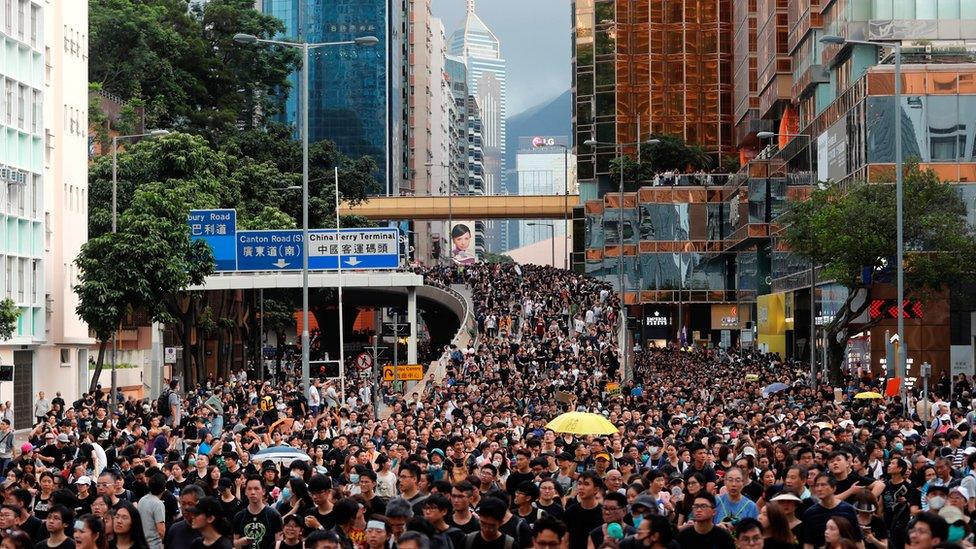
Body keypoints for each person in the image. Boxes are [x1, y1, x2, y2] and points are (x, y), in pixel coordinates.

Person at [801, 474, 861, 548]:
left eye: (823, 485)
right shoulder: (810, 513)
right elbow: (808, 543)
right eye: (817, 485)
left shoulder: (848, 509)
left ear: (834, 488)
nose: (819, 489)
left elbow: (857, 539)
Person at [233, 476, 282, 549]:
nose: (253, 492)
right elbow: (235, 543)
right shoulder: (239, 517)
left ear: (263, 491)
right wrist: (240, 542)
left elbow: (279, 543)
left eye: (256, 489)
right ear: (245, 492)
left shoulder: (274, 515)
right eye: (249, 489)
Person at [564, 472, 603, 549]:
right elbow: (565, 540)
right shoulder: (570, 511)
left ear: (596, 489)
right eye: (579, 483)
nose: (581, 487)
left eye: (586, 484)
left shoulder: (603, 512)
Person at [163, 484, 204, 549]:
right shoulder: (174, 529)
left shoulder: (208, 532)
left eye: (190, 504)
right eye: (183, 504)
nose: (186, 508)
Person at [137, 474, 166, 549]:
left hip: (141, 543)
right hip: (154, 544)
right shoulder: (158, 504)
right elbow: (161, 531)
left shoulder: (142, 499)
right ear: (164, 488)